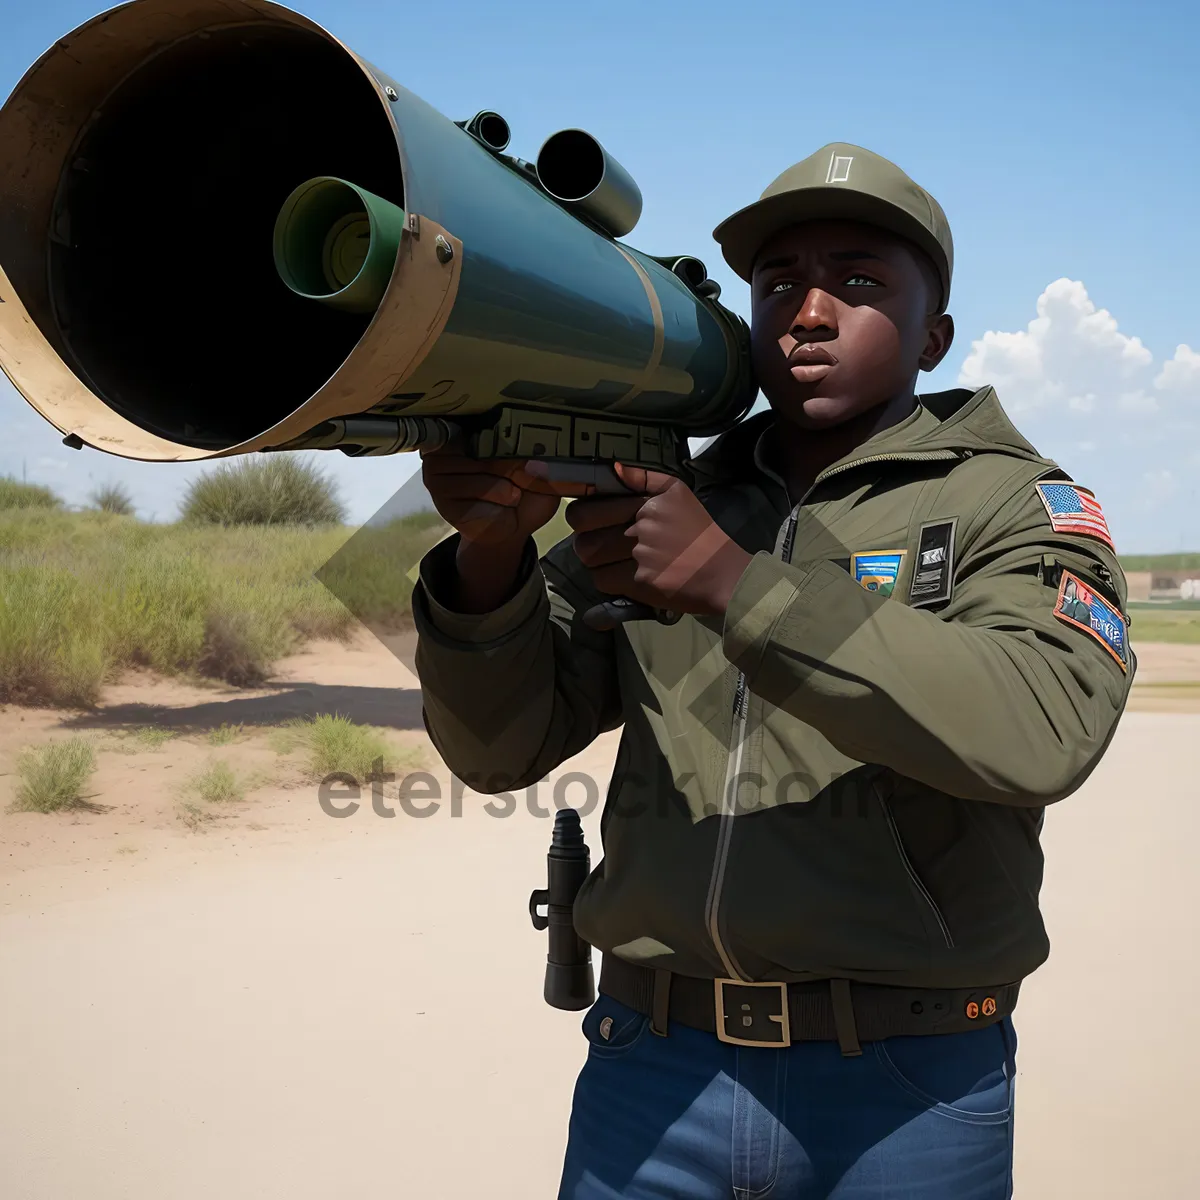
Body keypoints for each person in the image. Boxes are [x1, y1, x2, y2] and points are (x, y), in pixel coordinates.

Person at [410, 143, 1135, 1199]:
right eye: (780, 282)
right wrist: (488, 557)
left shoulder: (1009, 506)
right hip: (651, 1065)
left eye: (859, 281)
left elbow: (1043, 726)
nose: (809, 310)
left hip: (908, 1088)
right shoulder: (673, 495)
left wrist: (731, 583)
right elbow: (498, 747)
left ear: (934, 333)